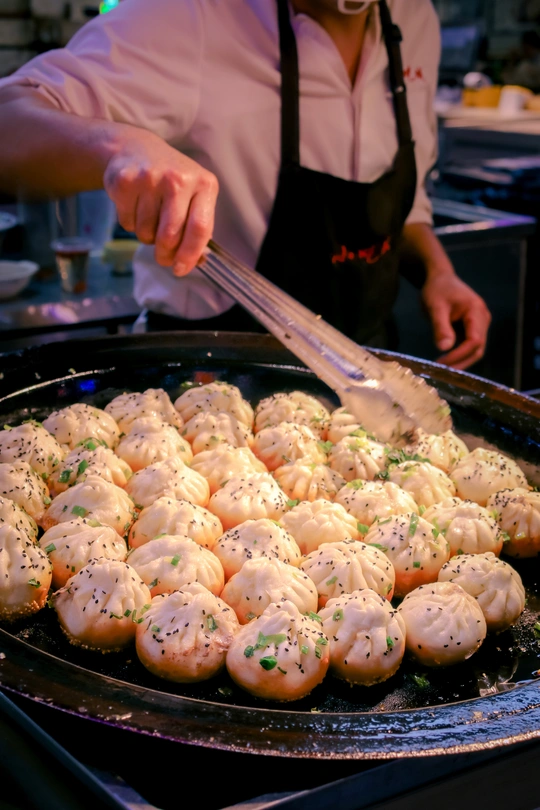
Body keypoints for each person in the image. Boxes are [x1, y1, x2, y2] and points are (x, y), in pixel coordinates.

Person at [0, 0, 490, 369]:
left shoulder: (415, 20)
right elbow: (9, 116)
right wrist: (119, 147)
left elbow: (398, 199)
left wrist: (436, 271)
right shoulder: (192, 16)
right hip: (211, 385)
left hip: (366, 379)